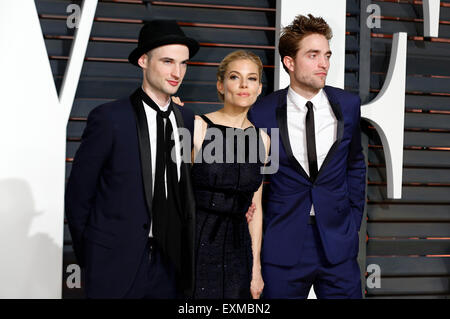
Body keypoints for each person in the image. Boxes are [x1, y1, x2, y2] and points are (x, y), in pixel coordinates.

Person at [65, 20, 199, 298]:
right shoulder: (109, 118)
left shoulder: (187, 119)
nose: (177, 72)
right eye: (167, 61)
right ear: (143, 61)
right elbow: (78, 197)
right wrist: (92, 257)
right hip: (114, 265)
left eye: (184, 63)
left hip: (171, 267)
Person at [248, 14, 366, 299]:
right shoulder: (261, 112)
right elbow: (254, 180)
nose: (323, 63)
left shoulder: (348, 105)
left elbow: (355, 164)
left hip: (337, 243)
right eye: (313, 55)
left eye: (326, 55)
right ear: (289, 62)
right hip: (283, 244)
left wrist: (351, 219)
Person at [191, 50, 269, 299]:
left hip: (239, 248)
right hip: (195, 243)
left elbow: (255, 207)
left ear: (259, 88)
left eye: (252, 79)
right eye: (235, 77)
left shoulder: (264, 140)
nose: (244, 85)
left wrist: (256, 267)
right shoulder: (197, 127)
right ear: (221, 85)